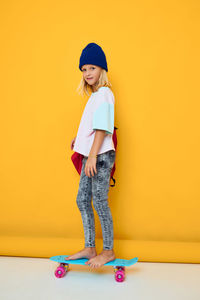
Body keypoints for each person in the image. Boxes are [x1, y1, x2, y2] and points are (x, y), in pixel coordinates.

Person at [65, 42, 116, 269]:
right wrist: (81, 142)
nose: (87, 73)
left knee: (99, 202)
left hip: (101, 156)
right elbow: (93, 126)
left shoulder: (104, 93)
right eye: (84, 69)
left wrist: (93, 155)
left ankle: (108, 251)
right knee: (83, 199)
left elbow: (103, 128)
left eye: (92, 68)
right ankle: (89, 247)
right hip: (92, 153)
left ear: (102, 69)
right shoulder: (95, 96)